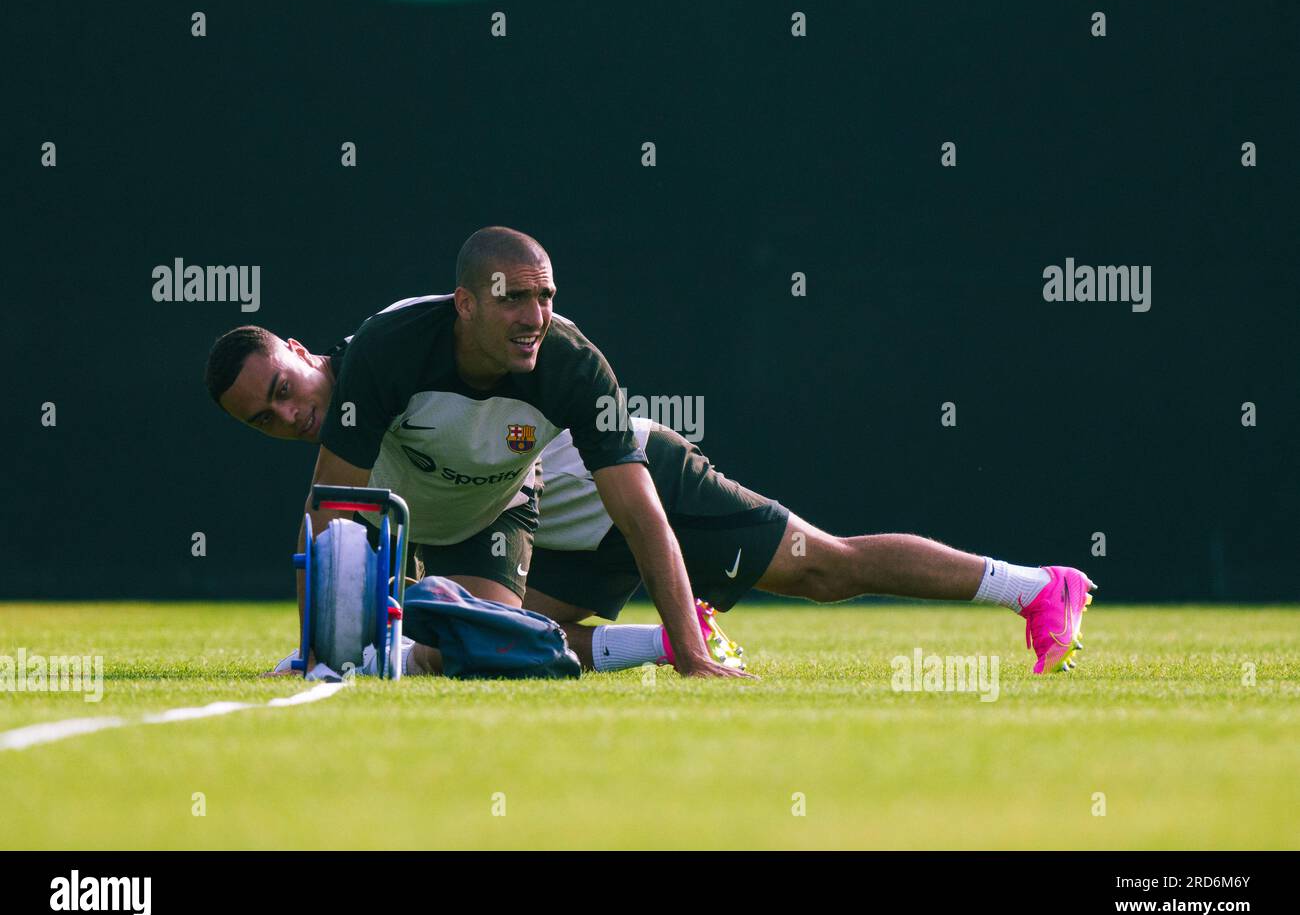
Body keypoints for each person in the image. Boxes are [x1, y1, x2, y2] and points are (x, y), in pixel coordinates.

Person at [207, 251, 1096, 678]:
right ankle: (670, 633)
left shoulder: (422, 355)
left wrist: (697, 665)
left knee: (825, 569)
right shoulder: (364, 401)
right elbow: (330, 521)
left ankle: (1036, 587)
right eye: (265, 419)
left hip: (630, 488)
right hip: (530, 520)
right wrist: (321, 649)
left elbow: (640, 517)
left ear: (295, 348)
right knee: (486, 650)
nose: (288, 413)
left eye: (282, 387)